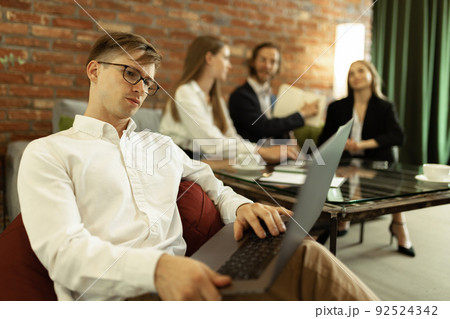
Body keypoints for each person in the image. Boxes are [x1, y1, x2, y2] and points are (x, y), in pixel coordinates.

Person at [18, 32, 378, 301]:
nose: (141, 88)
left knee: (299, 249)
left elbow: (213, 184)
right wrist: (158, 270)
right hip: (120, 296)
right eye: (131, 74)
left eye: (148, 82)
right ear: (94, 71)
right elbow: (64, 254)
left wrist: (242, 206)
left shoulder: (158, 145)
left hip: (195, 275)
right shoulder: (49, 153)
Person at [318, 60, 414, 257]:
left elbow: (398, 136)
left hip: (376, 161)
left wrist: (362, 144)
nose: (356, 75)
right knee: (342, 172)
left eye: (361, 70)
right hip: (344, 161)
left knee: (389, 177)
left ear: (372, 75)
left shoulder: (385, 106)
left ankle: (399, 225)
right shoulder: (337, 107)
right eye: (351, 73)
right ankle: (343, 218)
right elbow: (323, 139)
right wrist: (340, 142)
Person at [159, 36, 298, 164]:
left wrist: (261, 154)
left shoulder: (216, 99)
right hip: (179, 162)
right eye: (225, 58)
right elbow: (211, 144)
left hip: (205, 160)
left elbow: (231, 136)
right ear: (209, 58)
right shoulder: (186, 92)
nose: (229, 65)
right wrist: (263, 151)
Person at [228, 42, 318, 143]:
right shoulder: (240, 96)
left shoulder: (272, 97)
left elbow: (277, 128)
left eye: (273, 62)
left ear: (277, 67)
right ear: (253, 62)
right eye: (263, 60)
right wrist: (302, 113)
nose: (267, 66)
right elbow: (263, 128)